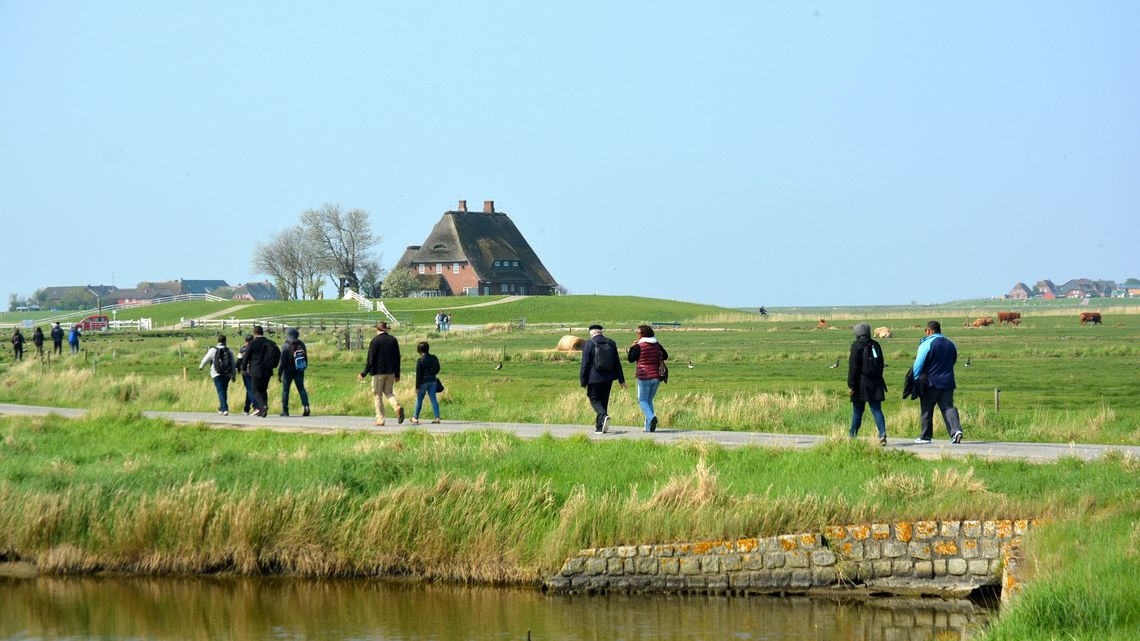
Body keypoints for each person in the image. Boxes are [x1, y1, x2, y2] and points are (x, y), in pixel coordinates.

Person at [912, 320, 964, 444]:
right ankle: (955, 431)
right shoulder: (951, 343)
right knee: (948, 407)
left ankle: (925, 436)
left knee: (926, 409)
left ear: (928, 331)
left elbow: (918, 363)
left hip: (931, 383)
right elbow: (953, 360)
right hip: (948, 382)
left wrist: (915, 378)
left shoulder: (927, 343)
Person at [580, 324, 626, 433]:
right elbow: (617, 363)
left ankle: (603, 416)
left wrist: (583, 380)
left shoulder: (589, 344)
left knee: (594, 399)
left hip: (594, 378)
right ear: (601, 332)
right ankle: (600, 427)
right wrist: (621, 379)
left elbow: (585, 364)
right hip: (608, 378)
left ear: (591, 333)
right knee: (603, 401)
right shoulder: (611, 343)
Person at [847, 323, 888, 445]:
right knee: (876, 410)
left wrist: (851, 385)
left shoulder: (856, 346)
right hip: (876, 382)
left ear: (857, 333)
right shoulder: (876, 345)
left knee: (857, 411)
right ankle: (882, 434)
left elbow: (853, 368)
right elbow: (881, 364)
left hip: (860, 384)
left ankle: (852, 435)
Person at [358, 321, 404, 426]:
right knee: (388, 392)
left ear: (377, 329)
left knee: (377, 395)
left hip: (378, 373)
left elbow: (371, 359)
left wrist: (363, 373)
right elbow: (397, 358)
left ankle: (380, 419)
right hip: (391, 372)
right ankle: (397, 406)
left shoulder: (375, 341)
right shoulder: (393, 340)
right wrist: (397, 373)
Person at [627, 324, 668, 433]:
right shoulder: (657, 344)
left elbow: (630, 359)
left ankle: (651, 418)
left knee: (642, 400)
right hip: (656, 377)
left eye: (638, 333)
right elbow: (666, 356)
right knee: (649, 401)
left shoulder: (639, 346)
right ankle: (648, 428)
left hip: (644, 376)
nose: (637, 334)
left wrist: (632, 347)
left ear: (643, 334)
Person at [243, 325, 279, 418]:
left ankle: (263, 406)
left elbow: (246, 357)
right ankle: (262, 411)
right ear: (262, 332)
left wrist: (243, 367)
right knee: (263, 390)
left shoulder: (252, 343)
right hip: (267, 369)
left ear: (254, 333)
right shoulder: (269, 342)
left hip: (256, 370)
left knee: (255, 390)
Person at [198, 335, 235, 415]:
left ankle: (224, 408)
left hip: (216, 373)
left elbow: (206, 359)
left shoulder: (213, 350)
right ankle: (222, 408)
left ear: (218, 341)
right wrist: (233, 375)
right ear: (225, 341)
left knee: (221, 391)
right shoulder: (229, 350)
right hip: (227, 374)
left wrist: (201, 366)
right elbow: (232, 363)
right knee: (223, 390)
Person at [278, 327, 311, 417]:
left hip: (288, 371)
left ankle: (285, 410)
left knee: (285, 391)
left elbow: (282, 361)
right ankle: (306, 407)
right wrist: (303, 367)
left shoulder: (285, 345)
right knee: (301, 389)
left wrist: (279, 373)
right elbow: (305, 358)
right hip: (299, 369)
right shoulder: (301, 344)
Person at [411, 341, 441, 425]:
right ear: (428, 349)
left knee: (419, 399)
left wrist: (417, 387)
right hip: (433, 381)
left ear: (419, 350)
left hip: (423, 382)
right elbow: (438, 368)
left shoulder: (420, 360)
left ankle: (415, 418)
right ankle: (437, 417)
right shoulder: (434, 357)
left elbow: (418, 375)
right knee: (433, 399)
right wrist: (432, 374)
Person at [237, 334, 256, 415]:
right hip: (254, 371)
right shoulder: (255, 348)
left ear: (245, 340)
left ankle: (255, 407)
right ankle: (246, 408)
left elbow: (238, 360)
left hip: (245, 371)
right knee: (251, 389)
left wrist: (238, 368)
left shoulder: (242, 349)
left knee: (249, 389)